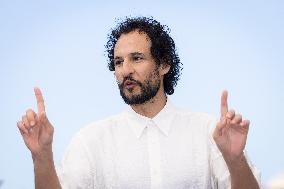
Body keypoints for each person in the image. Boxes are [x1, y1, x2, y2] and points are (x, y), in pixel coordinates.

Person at [17, 17, 261, 189]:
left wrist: (235, 160)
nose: (125, 70)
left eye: (136, 58)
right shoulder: (91, 140)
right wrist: (42, 156)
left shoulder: (208, 133)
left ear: (164, 65)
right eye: (118, 62)